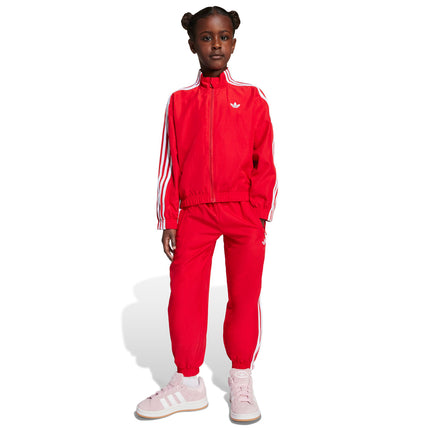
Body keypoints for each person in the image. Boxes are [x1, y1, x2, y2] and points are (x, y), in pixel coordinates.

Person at [136, 6, 278, 423]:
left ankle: (241, 379)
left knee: (244, 296)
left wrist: (261, 211)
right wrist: (168, 219)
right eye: (206, 37)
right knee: (184, 296)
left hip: (244, 212)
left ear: (233, 42)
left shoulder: (252, 97)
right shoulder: (179, 101)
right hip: (194, 212)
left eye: (223, 36)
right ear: (192, 44)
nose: (215, 44)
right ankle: (188, 383)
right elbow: (170, 163)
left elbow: (266, 159)